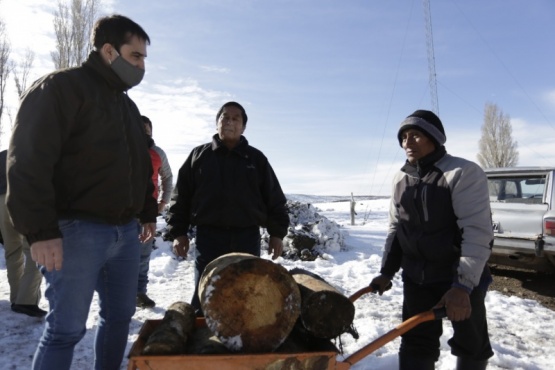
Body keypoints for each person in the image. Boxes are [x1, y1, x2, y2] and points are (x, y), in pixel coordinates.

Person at [6, 15, 157, 370]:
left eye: (144, 58)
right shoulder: (61, 89)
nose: (142, 66)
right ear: (109, 51)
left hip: (125, 234)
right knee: (65, 330)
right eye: (135, 56)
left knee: (119, 318)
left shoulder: (127, 107)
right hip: (76, 232)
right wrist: (41, 232)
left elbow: (138, 167)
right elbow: (28, 161)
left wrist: (147, 211)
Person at [370, 110, 494, 370]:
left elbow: (476, 231)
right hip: (418, 279)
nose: (407, 143)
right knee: (415, 342)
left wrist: (462, 286)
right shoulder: (401, 179)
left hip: (457, 277)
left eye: (415, 135)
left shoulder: (462, 172)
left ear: (435, 139)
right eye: (403, 137)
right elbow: (396, 229)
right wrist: (386, 271)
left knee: (471, 343)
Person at [165, 101, 289, 316]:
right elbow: (181, 197)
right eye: (225, 117)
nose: (229, 122)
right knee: (205, 295)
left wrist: (276, 233)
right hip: (209, 238)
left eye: (235, 118)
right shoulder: (199, 156)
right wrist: (178, 232)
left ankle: (244, 345)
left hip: (246, 237)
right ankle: (205, 346)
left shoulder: (256, 159)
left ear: (243, 127)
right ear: (217, 123)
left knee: (247, 294)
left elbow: (274, 198)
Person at [0, 150, 45, 317]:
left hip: (1, 204)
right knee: (36, 250)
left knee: (12, 252)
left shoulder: (2, 156)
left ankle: (16, 297)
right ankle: (26, 301)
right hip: (20, 199)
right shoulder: (28, 150)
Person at [136, 115, 173, 308]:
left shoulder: (158, 153)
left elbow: (167, 177)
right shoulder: (124, 148)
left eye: (147, 127)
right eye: (140, 127)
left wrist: (164, 201)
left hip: (147, 214)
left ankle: (139, 293)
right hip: (122, 214)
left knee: (142, 256)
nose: (144, 130)